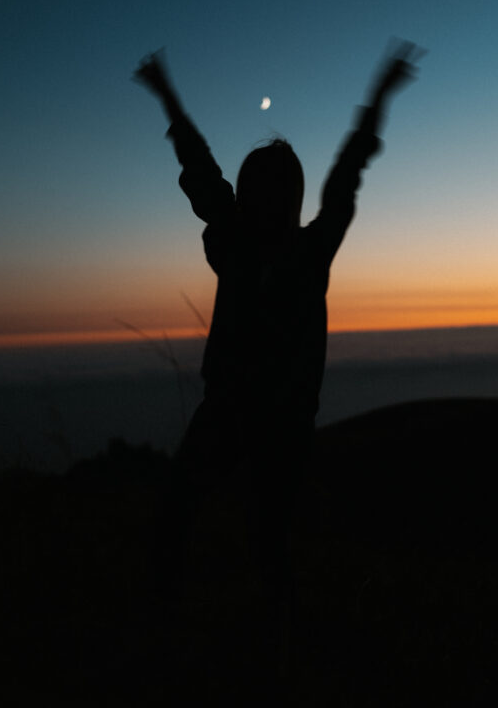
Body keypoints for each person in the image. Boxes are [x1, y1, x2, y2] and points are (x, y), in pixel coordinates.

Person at [134, 42, 422, 616]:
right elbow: (341, 174)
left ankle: (210, 631)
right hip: (264, 415)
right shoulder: (289, 248)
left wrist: (167, 95)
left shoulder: (265, 245)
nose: (258, 198)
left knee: (226, 526)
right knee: (233, 528)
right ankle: (210, 629)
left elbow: (206, 170)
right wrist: (379, 96)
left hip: (266, 417)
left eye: (263, 187)